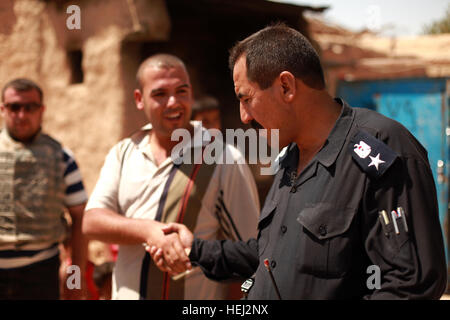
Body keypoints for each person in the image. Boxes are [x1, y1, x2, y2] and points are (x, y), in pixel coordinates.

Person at [151, 24, 448, 299]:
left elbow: (410, 285)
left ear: (285, 87)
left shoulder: (380, 147)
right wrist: (196, 250)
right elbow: (275, 255)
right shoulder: (291, 159)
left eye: (245, 98)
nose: (244, 117)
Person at [82, 53, 260, 300]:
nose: (173, 102)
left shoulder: (223, 158)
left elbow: (249, 256)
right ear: (139, 99)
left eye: (182, 91)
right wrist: (149, 231)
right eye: (160, 94)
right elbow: (91, 222)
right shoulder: (124, 152)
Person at [0, 78, 89, 300]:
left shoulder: (62, 158)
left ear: (42, 110)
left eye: (30, 107)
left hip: (41, 274)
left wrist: (74, 279)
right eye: (14, 107)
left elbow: (80, 221)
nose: (22, 115)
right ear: (2, 109)